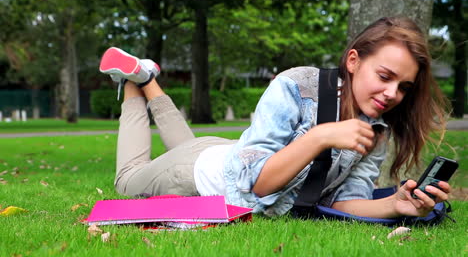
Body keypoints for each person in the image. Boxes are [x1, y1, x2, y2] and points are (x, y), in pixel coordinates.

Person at [99, 17, 451, 219]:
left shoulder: (377, 131)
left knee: (188, 143)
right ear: (354, 61)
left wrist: (393, 204)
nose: (393, 94)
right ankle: (135, 82)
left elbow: (341, 202)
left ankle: (147, 76)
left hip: (225, 151)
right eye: (385, 77)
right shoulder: (296, 85)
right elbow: (259, 185)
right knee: (126, 181)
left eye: (404, 87)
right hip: (195, 175)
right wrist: (321, 136)